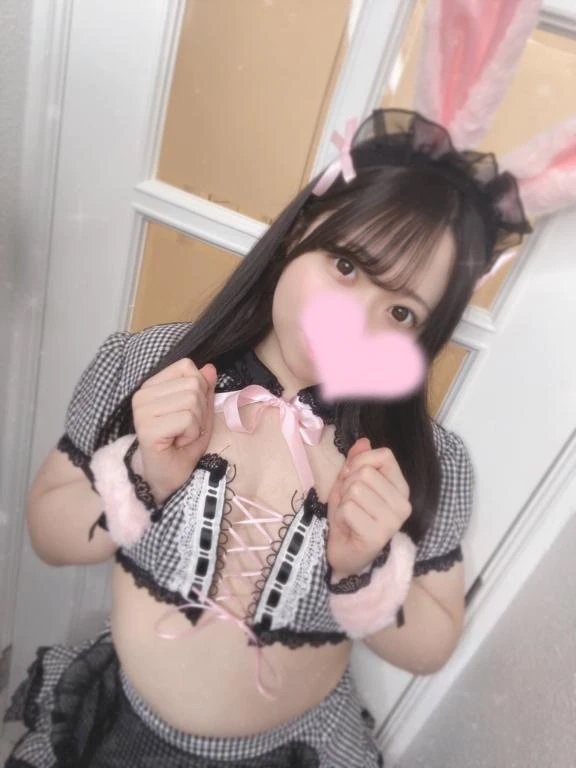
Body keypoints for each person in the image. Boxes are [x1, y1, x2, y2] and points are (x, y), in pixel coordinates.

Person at [4, 109, 531, 767]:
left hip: (288, 749)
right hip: (116, 723)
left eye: (400, 311)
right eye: (346, 265)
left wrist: (362, 568)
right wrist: (142, 479)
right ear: (301, 230)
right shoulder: (150, 368)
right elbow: (48, 531)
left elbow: (432, 644)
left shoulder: (423, 463)